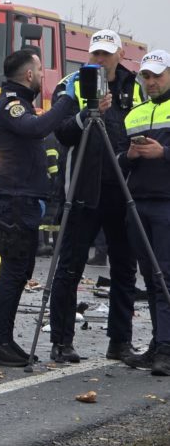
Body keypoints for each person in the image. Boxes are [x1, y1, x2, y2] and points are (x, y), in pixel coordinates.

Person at [47, 30, 144, 363]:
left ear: (119, 54)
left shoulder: (135, 86)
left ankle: (120, 341)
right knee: (70, 267)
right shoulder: (72, 84)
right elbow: (61, 132)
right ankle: (61, 342)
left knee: (125, 267)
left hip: (123, 187)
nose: (100, 60)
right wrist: (87, 113)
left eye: (106, 54)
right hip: (83, 188)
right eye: (96, 54)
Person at [0, 49, 77, 367]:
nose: (43, 75)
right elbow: (36, 128)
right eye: (40, 70)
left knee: (21, 271)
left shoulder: (21, 102)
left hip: (22, 199)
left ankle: (4, 340)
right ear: (29, 75)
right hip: (14, 201)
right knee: (13, 272)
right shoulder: (12, 104)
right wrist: (67, 100)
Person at [119, 49, 170, 375]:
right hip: (139, 204)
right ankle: (157, 344)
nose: (151, 82)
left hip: (166, 204)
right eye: (146, 76)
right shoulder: (134, 114)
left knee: (165, 277)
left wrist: (164, 152)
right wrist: (130, 156)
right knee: (151, 279)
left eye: (157, 76)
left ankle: (166, 348)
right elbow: (118, 161)